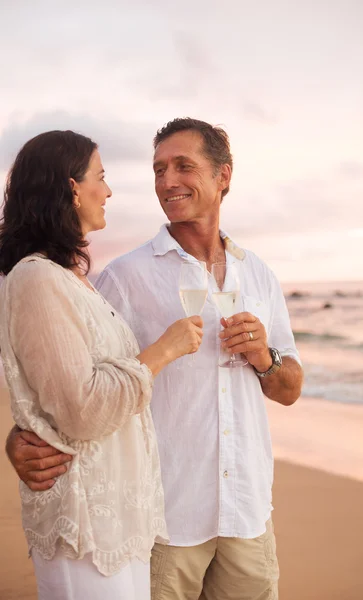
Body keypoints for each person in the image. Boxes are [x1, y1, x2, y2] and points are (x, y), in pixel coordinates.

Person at [6, 118, 303, 600]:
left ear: (223, 175)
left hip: (248, 515)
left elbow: (290, 388)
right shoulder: (125, 276)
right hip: (165, 521)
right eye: (158, 169)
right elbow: (67, 372)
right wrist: (22, 437)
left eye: (184, 166)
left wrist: (265, 358)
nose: (167, 181)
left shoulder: (260, 275)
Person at [0, 130, 203, 600]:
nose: (109, 191)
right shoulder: (35, 279)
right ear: (72, 187)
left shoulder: (70, 280)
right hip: (85, 522)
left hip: (116, 515)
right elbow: (82, 408)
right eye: (102, 177)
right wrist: (162, 351)